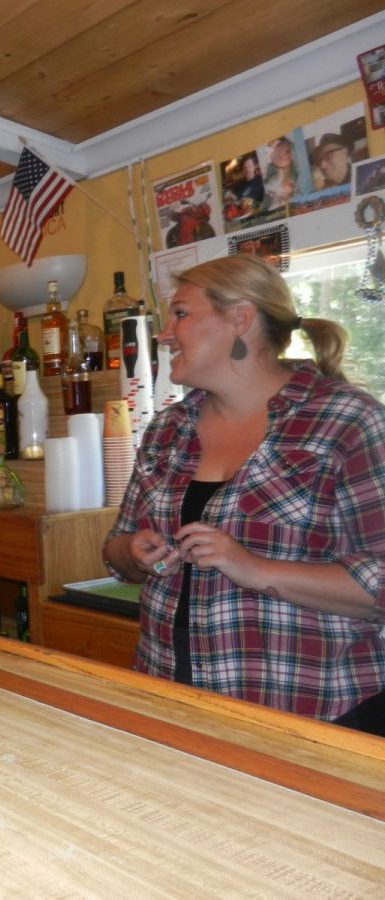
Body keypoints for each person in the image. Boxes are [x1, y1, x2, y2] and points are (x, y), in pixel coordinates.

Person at [102, 255, 385, 734]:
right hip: (170, 699)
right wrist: (131, 552)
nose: (165, 334)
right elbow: (115, 551)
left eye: (181, 314)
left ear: (239, 319)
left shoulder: (347, 422)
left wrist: (253, 568)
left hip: (311, 717)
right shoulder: (168, 428)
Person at [262, 136, 297, 211]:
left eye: (287, 152)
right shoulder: (269, 171)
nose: (285, 156)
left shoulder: (294, 171)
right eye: (287, 151)